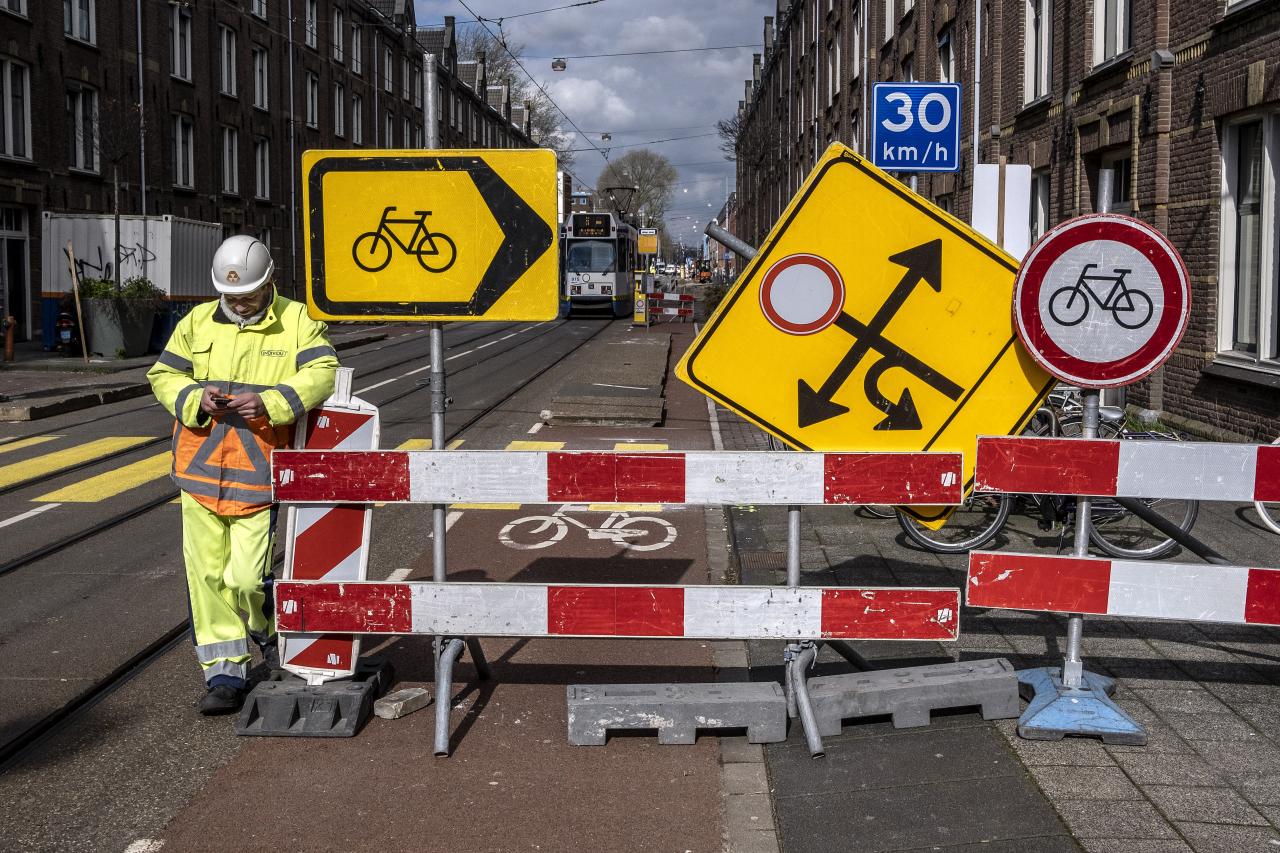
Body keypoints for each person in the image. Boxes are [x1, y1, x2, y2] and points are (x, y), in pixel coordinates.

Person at [148, 235, 338, 715]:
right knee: (207, 577)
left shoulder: (297, 320)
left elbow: (323, 372)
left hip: (258, 475)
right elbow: (163, 375)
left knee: (247, 579)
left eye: (247, 295)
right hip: (199, 472)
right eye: (230, 297)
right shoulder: (195, 323)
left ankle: (268, 630)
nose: (239, 303)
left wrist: (271, 402)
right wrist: (195, 399)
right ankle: (224, 674)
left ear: (270, 281)